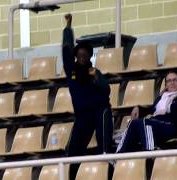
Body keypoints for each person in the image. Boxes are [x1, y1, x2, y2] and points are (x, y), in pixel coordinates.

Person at [62, 14, 113, 179]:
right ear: (76, 56)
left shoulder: (94, 72)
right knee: (73, 151)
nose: (82, 57)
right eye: (80, 55)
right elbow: (66, 49)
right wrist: (68, 27)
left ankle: (107, 174)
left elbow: (106, 91)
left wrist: (96, 79)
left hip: (100, 111)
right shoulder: (72, 71)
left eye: (86, 55)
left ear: (90, 56)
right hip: (83, 115)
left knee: (103, 148)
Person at [116, 71, 177, 153]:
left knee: (144, 122)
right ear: (166, 84)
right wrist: (138, 108)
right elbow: (151, 110)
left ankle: (150, 152)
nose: (172, 83)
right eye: (169, 81)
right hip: (155, 124)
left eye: (175, 80)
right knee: (133, 123)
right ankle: (118, 156)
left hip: (171, 126)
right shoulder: (160, 99)